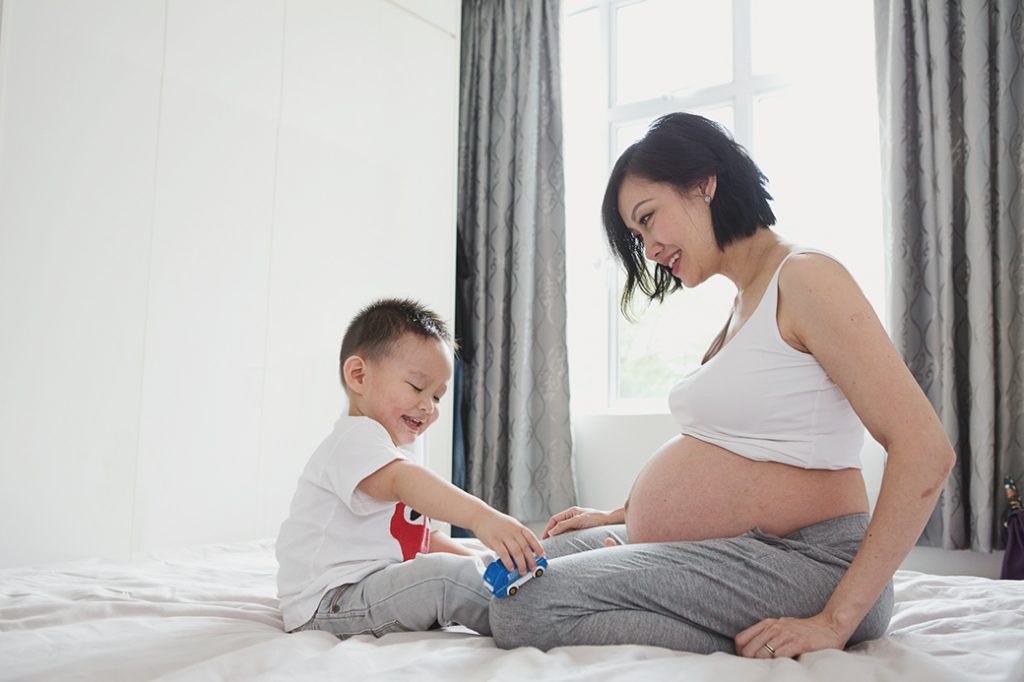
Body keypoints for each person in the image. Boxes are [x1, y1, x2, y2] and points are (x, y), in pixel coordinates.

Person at [489, 113, 955, 658]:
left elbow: (925, 449)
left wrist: (833, 623)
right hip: (754, 552)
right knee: (532, 560)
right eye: (637, 237)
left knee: (524, 605)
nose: (650, 251)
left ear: (703, 183)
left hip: (813, 565)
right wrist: (626, 514)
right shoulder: (742, 303)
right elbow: (745, 451)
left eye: (647, 220)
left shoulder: (806, 278)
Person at [276, 298, 544, 638]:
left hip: (368, 588)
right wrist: (481, 518)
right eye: (417, 387)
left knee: (465, 565)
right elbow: (405, 481)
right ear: (359, 375)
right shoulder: (355, 438)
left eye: (437, 396)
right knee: (442, 579)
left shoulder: (395, 447)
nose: (428, 407)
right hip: (327, 604)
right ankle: (539, 615)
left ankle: (537, 594)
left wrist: (482, 563)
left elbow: (423, 540)